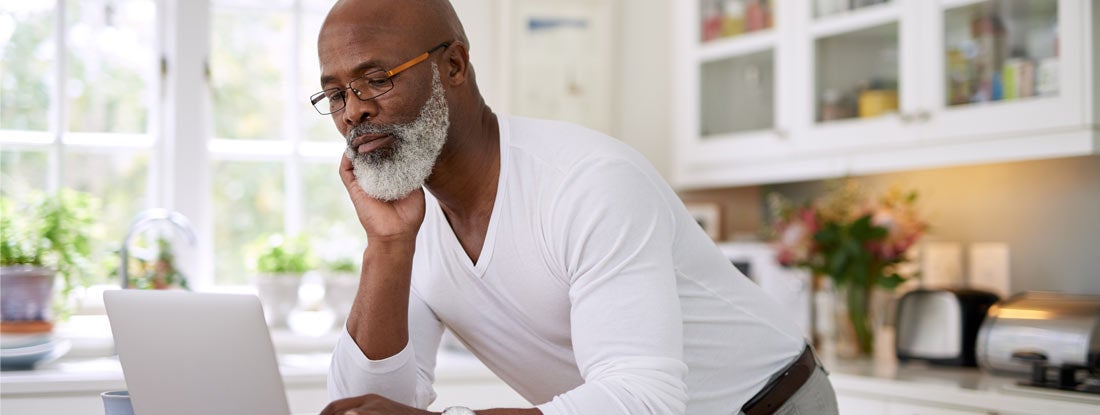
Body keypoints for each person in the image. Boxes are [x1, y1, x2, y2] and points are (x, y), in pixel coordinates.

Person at [313, 1, 839, 414]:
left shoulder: (586, 182)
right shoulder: (409, 217)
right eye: (335, 95)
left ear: (453, 65)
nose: (354, 110)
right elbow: (363, 405)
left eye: (376, 79)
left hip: (770, 404)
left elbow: (644, 398)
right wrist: (387, 245)